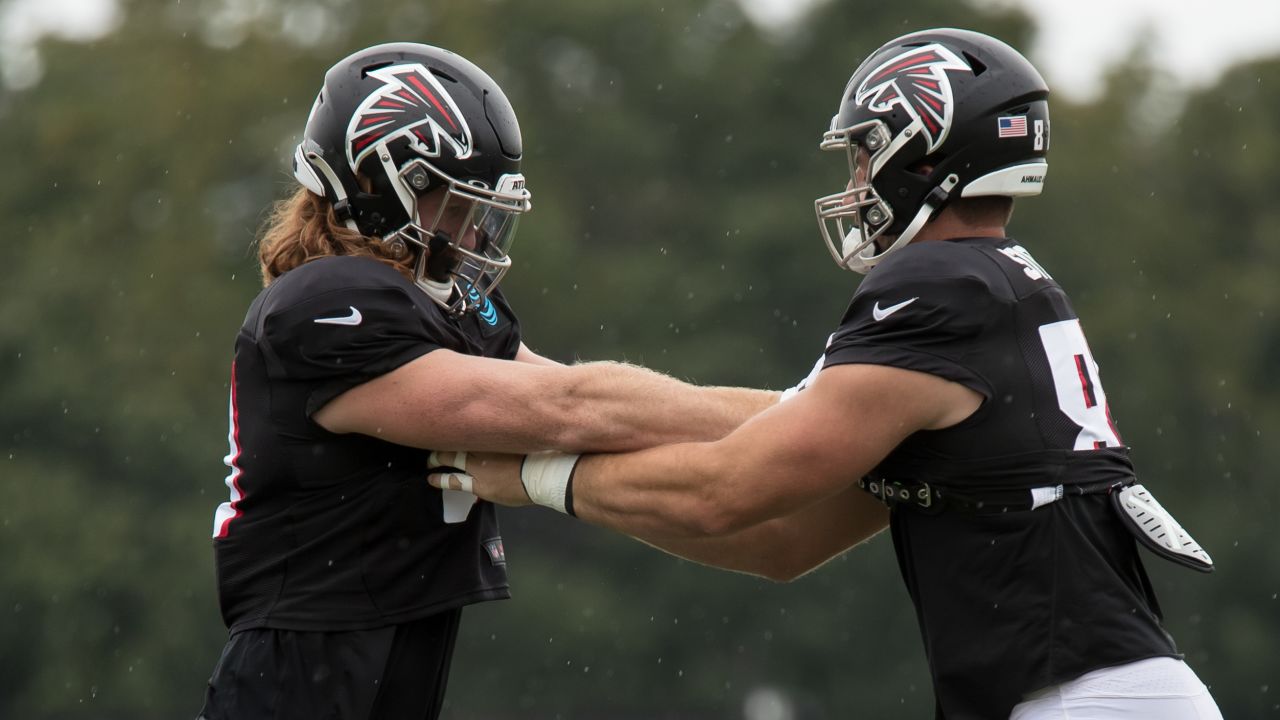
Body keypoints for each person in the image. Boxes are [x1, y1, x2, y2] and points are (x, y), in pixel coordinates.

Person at [431, 29, 1223, 719]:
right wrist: (549, 418)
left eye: (865, 153)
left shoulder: (937, 286)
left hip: (1081, 699)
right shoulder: (995, 288)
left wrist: (532, 475)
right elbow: (783, 539)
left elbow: (726, 490)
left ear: (927, 152)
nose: (854, 183)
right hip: (1092, 690)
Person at [196, 42, 779, 720]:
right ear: (386, 187)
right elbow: (572, 408)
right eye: (454, 206)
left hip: (376, 669)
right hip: (298, 678)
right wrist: (814, 418)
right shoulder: (327, 297)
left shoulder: (440, 305)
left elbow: (609, 414)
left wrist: (812, 420)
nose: (474, 231)